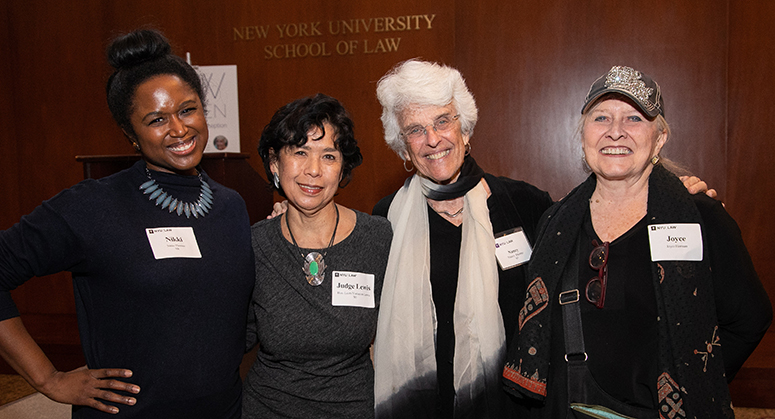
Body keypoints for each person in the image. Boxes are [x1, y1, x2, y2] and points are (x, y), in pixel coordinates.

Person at [370, 59, 718, 419]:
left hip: (516, 405)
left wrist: (672, 194)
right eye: (415, 129)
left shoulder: (527, 205)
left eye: (443, 121)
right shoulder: (385, 220)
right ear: (403, 147)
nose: (432, 139)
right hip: (421, 405)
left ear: (466, 130)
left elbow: (596, 244)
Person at [0, 29, 254, 417]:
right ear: (129, 134)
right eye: (156, 119)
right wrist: (47, 379)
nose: (179, 129)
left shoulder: (231, 205)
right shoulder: (91, 207)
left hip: (224, 410)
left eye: (187, 109)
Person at [503, 66, 772, 418]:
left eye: (633, 118)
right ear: (583, 134)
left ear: (659, 138)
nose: (616, 132)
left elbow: (750, 319)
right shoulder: (555, 222)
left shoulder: (700, 217)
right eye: (601, 117)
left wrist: (694, 381)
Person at [242, 93, 392, 419]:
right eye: (299, 152)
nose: (313, 171)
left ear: (343, 168)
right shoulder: (254, 245)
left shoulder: (379, 239)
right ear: (274, 163)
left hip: (355, 410)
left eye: (328, 156)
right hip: (268, 410)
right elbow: (224, 335)